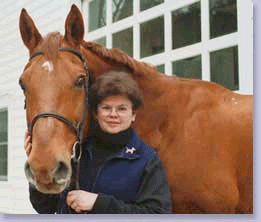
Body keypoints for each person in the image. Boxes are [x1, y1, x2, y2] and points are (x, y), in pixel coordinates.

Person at [24, 70, 172, 214]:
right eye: (106, 108)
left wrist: (99, 203)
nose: (113, 114)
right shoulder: (76, 153)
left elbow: (158, 214)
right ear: (96, 113)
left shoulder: (147, 160)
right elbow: (45, 207)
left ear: (133, 115)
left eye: (122, 109)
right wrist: (39, 163)